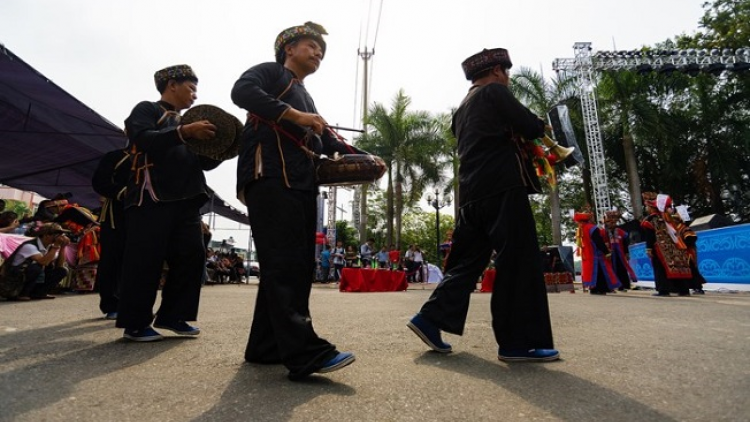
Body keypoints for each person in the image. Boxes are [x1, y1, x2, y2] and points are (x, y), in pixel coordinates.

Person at [231, 22, 365, 379]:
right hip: (271, 175)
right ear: (289, 48)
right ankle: (306, 353)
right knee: (285, 264)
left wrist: (354, 154)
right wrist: (295, 115)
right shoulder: (271, 73)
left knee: (292, 265)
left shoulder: (304, 93)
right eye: (311, 45)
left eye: (321, 49)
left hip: (300, 180)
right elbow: (241, 91)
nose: (318, 52)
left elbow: (324, 141)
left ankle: (265, 346)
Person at [406, 47, 558, 362]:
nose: (509, 79)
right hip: (502, 187)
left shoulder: (462, 108)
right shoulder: (494, 92)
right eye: (507, 73)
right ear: (498, 71)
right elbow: (530, 126)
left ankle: (430, 319)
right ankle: (517, 344)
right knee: (517, 260)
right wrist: (539, 125)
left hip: (471, 194)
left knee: (467, 263)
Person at [116, 64, 220, 342]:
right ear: (172, 84)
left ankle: (174, 316)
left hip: (186, 200)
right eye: (191, 87)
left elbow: (204, 162)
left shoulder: (191, 124)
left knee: (191, 257)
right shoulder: (147, 110)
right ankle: (135, 323)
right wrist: (185, 133)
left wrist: (224, 146)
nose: (195, 95)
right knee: (144, 261)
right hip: (151, 197)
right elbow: (143, 139)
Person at [91, 148, 131, 319]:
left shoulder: (155, 157)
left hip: (144, 216)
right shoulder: (116, 156)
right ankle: (111, 303)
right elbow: (100, 182)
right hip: (116, 215)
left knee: (135, 261)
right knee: (112, 259)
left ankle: (131, 303)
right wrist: (123, 192)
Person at [641, 192, 692, 296]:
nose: (646, 208)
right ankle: (683, 290)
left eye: (647, 206)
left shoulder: (650, 220)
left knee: (660, 268)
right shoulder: (668, 217)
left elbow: (650, 236)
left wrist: (649, 248)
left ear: (651, 207)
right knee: (677, 266)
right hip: (674, 246)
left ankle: (663, 290)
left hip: (659, 247)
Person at [7, 223, 70, 300]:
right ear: (46, 235)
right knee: (36, 268)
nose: (60, 237)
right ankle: (21, 294)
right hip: (12, 281)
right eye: (57, 234)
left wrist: (63, 247)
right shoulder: (30, 246)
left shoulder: (50, 247)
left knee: (62, 270)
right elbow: (43, 262)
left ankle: (39, 293)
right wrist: (56, 246)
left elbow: (60, 265)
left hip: (27, 278)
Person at [575, 210, 619, 295]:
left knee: (591, 271)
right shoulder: (592, 228)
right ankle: (601, 289)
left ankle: (593, 289)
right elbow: (598, 241)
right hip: (595, 254)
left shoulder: (580, 229)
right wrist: (606, 252)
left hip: (586, 254)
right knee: (600, 271)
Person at [603, 210, 638, 291]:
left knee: (622, 269)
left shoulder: (620, 231)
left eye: (614, 222)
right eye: (610, 222)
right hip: (610, 255)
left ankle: (623, 286)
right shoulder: (604, 232)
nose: (612, 224)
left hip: (620, 254)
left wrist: (627, 253)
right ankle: (612, 286)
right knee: (611, 270)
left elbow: (625, 243)